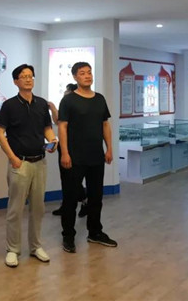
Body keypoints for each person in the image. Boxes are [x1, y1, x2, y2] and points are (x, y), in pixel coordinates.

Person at [0, 64, 57, 268]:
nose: (28, 79)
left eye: (31, 76)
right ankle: (13, 250)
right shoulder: (9, 105)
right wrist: (12, 157)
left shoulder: (41, 104)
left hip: (40, 162)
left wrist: (52, 140)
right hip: (19, 163)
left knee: (38, 208)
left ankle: (35, 246)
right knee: (15, 209)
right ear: (16, 81)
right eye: (23, 76)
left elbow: (47, 129)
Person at [58, 62, 117, 253]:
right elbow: (62, 127)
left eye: (89, 72)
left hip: (96, 156)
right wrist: (65, 152)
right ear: (75, 77)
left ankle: (95, 232)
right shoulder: (68, 100)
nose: (87, 76)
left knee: (96, 197)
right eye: (82, 73)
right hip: (74, 157)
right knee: (70, 198)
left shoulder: (99, 99)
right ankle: (68, 236)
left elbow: (105, 125)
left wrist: (109, 149)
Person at [49, 84, 87, 218]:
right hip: (64, 146)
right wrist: (53, 109)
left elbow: (60, 121)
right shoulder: (66, 105)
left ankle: (84, 201)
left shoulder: (77, 107)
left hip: (74, 147)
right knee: (66, 178)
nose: (64, 94)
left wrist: (53, 108)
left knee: (72, 179)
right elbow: (57, 121)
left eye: (67, 92)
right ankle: (66, 205)